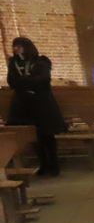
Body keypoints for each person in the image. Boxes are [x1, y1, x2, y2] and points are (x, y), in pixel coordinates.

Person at [6, 37, 66, 176]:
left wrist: (25, 82)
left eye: (19, 46)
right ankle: (43, 164)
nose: (16, 49)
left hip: (42, 103)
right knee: (33, 137)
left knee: (47, 135)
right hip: (23, 105)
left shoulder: (40, 61)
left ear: (27, 47)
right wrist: (27, 82)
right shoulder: (13, 63)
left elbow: (44, 79)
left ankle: (54, 165)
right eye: (15, 46)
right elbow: (12, 82)